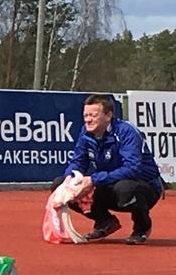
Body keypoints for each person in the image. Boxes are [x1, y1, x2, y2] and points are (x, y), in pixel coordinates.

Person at [55, 94, 164, 245]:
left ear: (108, 115)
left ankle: (142, 227)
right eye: (85, 115)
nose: (88, 119)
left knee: (124, 188)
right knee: (61, 185)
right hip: (108, 184)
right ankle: (105, 222)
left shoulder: (126, 132)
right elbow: (78, 162)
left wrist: (93, 179)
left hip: (145, 186)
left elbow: (132, 169)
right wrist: (69, 179)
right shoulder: (85, 133)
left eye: (93, 115)